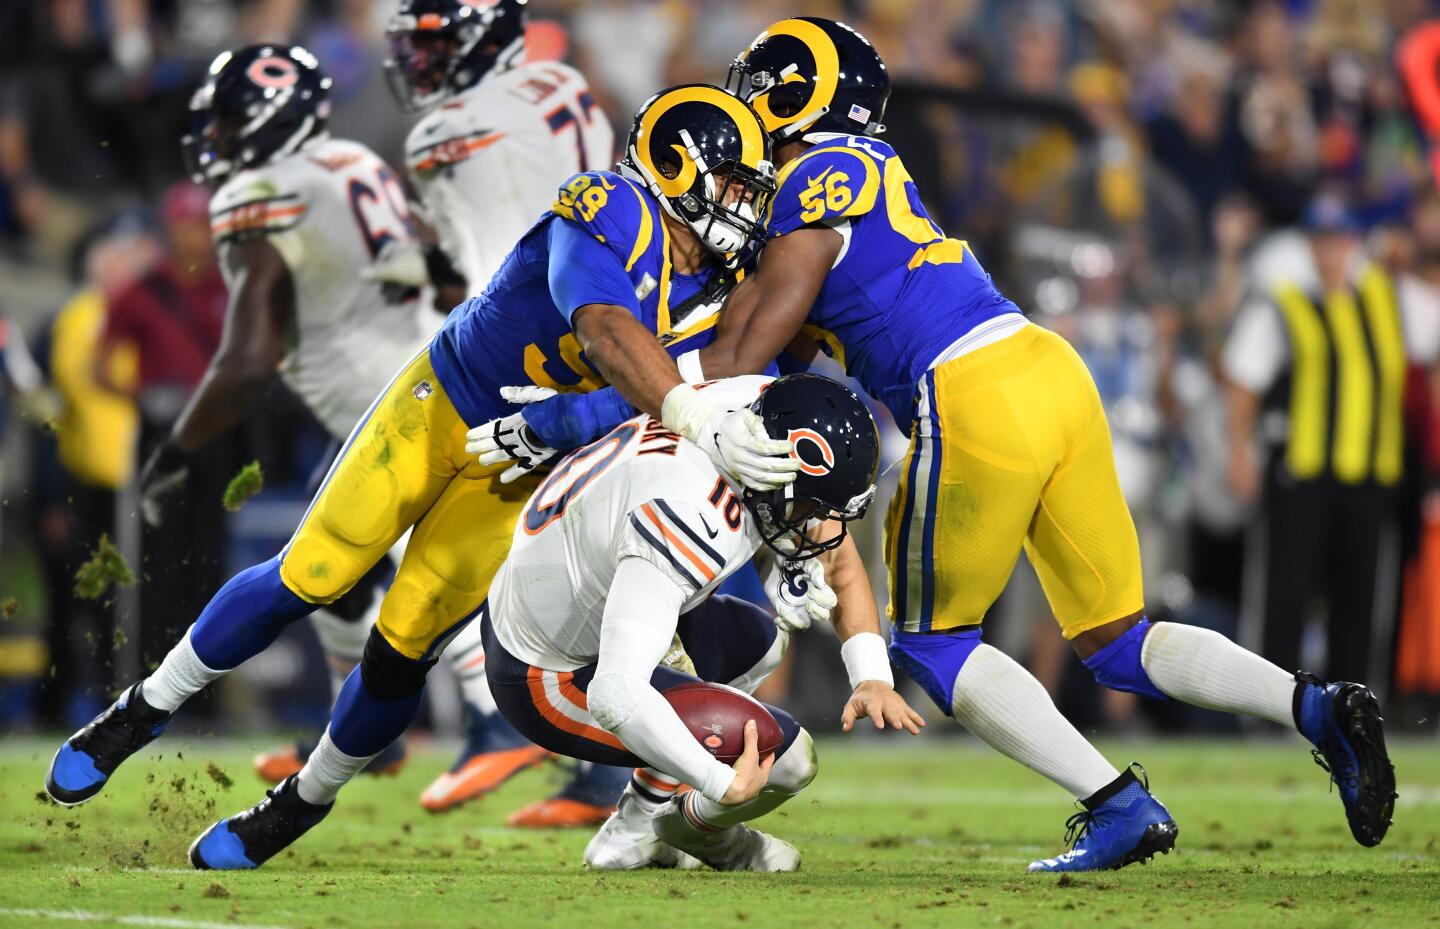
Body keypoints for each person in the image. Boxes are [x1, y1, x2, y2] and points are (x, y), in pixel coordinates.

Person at [483, 18, 1397, 870]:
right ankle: (1315, 704)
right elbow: (776, 346)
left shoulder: (814, 177)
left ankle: (1117, 801)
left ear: (792, 95)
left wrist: (582, 404)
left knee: (929, 644)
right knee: (1118, 637)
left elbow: (730, 359)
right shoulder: (871, 171)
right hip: (1048, 366)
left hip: (968, 391)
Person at [44, 85, 798, 871]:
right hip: (446, 403)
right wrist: (629, 409)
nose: (745, 208)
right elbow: (604, 328)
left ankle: (301, 802)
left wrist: (570, 425)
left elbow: (685, 390)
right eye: (736, 186)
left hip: (518, 464)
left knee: (403, 648)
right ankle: (144, 708)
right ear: (680, 170)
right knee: (314, 571)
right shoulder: (613, 205)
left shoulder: (719, 290)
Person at [485, 373, 921, 871]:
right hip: (549, 673)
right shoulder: (689, 514)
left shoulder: (748, 408)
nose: (815, 525)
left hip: (574, 597)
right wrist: (719, 787)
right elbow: (616, 693)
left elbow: (837, 561)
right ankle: (693, 835)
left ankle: (633, 831)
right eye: (807, 506)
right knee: (793, 759)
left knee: (760, 645)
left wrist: (871, 676)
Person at [138, 44, 433, 779]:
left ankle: (495, 733)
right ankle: (363, 731)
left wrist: (175, 450)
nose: (222, 140)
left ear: (271, 121)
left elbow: (246, 363)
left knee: (423, 572)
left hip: (391, 404)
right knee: (337, 564)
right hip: (422, 375)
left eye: (234, 124)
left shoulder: (265, 192)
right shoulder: (352, 162)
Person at [376, 0, 627, 822]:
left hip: (528, 356)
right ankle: (604, 763)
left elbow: (483, 279)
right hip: (607, 324)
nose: (424, 61)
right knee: (595, 561)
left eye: (437, 42)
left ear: (482, 35)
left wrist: (413, 262)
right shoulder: (560, 80)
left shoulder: (444, 130)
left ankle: (506, 723)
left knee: (437, 533)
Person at [1223, 194, 1439, 692]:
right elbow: (1243, 377)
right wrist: (1240, 453)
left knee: (1361, 598)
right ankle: (1272, 702)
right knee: (1286, 593)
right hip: (1302, 473)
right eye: (1321, 243)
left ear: (1353, 245)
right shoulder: (1288, 302)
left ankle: (1353, 705)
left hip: (1370, 475)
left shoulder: (1390, 297)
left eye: (1339, 241)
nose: (1330, 254)